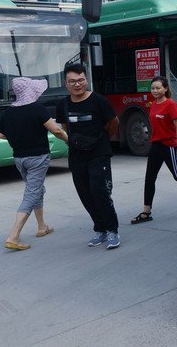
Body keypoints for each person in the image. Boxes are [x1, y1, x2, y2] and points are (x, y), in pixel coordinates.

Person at [0, 77, 68, 251]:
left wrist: (19, 137)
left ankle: (42, 226)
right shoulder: (37, 109)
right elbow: (57, 130)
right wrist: (69, 140)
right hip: (38, 158)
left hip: (19, 159)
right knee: (31, 194)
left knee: (36, 189)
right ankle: (14, 236)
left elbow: (0, 135)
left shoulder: (8, 112)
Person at [56, 63, 121, 249]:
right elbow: (65, 128)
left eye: (81, 80)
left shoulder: (98, 100)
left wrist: (103, 140)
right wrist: (74, 142)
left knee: (100, 191)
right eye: (73, 81)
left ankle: (112, 230)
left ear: (86, 80)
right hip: (77, 155)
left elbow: (113, 122)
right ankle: (99, 229)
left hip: (99, 153)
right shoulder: (63, 105)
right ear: (66, 83)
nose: (77, 84)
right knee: (84, 193)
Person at [130, 76, 177, 224]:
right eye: (153, 88)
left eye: (158, 88)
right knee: (149, 178)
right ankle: (146, 212)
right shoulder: (153, 104)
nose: (155, 91)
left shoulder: (171, 105)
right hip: (156, 145)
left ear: (165, 88)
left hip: (169, 146)